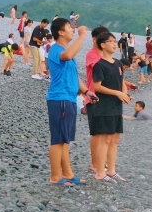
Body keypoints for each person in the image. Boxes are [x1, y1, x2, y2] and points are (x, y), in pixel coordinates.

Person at [46, 19, 96, 186]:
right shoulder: (56, 50)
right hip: (59, 99)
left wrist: (87, 91)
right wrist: (82, 36)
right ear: (60, 32)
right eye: (69, 27)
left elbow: (74, 76)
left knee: (65, 139)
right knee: (57, 139)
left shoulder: (67, 51)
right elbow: (67, 56)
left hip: (69, 99)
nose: (73, 30)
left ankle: (67, 173)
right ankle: (55, 177)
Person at [89, 31, 130, 182]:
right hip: (104, 106)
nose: (114, 44)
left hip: (116, 106)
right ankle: (100, 172)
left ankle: (111, 171)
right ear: (102, 45)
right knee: (104, 139)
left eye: (115, 41)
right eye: (111, 41)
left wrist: (124, 93)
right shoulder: (99, 64)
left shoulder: (118, 63)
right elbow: (96, 86)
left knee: (115, 139)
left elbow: (121, 81)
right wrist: (117, 93)